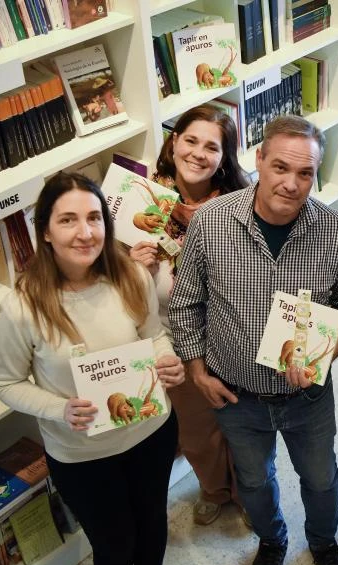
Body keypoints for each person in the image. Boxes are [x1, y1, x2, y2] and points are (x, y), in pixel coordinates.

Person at [168, 114, 338, 565]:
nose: (292, 183)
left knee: (321, 480)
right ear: (257, 160)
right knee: (255, 482)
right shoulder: (213, 223)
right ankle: (273, 541)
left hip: (308, 394)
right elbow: (185, 304)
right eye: (280, 167)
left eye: (305, 173)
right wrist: (197, 372)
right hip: (237, 393)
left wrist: (322, 353)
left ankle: (322, 544)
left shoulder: (335, 229)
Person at [0, 172, 185, 565]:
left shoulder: (131, 276)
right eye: (69, 220)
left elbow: (154, 332)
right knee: (111, 536)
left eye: (95, 218)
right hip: (80, 451)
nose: (85, 232)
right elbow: (5, 382)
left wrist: (166, 358)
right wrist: (59, 410)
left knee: (152, 521)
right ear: (46, 232)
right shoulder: (22, 306)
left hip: (149, 432)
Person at [129, 105, 250, 527]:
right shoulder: (142, 206)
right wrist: (134, 268)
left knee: (243, 428)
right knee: (197, 432)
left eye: (212, 147)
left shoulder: (239, 206)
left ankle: (252, 495)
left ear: (224, 157)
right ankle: (215, 490)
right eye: (191, 140)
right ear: (173, 142)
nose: (198, 153)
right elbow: (122, 293)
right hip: (174, 341)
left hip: (232, 337)